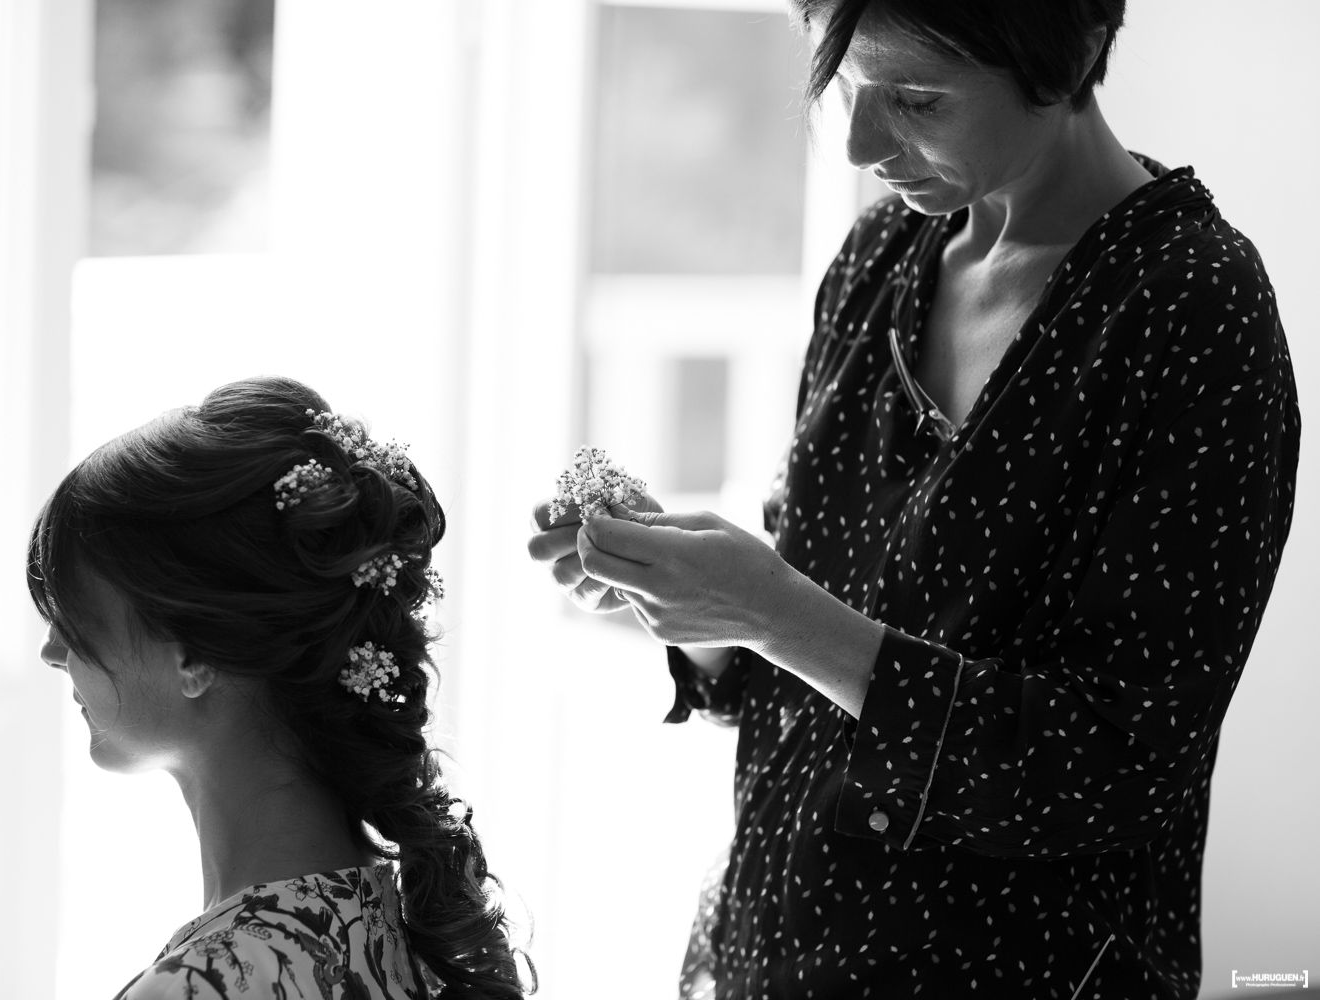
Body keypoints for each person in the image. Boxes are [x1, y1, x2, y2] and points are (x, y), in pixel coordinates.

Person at [528, 1, 1299, 997]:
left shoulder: (1190, 308)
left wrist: (772, 609)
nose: (859, 144)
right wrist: (697, 607)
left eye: (917, 100)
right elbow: (820, 640)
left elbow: (1116, 765)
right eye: (847, 85)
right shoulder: (879, 258)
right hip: (773, 949)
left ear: (1068, 56)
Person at [31, 376, 530, 1000]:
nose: (52, 652)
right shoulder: (394, 924)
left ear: (195, 653)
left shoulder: (202, 987)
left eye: (74, 618)